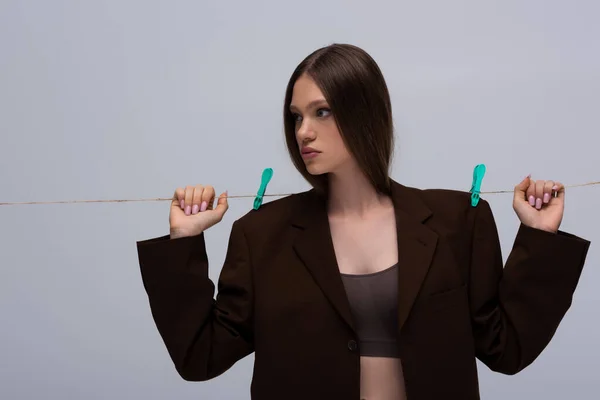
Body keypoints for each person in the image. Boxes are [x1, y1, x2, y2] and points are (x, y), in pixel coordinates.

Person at [136, 43, 591, 400]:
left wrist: (539, 236)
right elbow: (202, 357)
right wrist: (183, 241)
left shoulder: (458, 220)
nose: (302, 132)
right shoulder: (262, 233)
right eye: (296, 117)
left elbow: (505, 349)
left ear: (365, 112)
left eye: (322, 111)